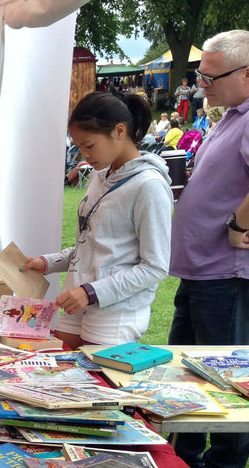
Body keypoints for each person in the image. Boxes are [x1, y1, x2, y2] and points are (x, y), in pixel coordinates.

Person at [169, 29, 249, 468]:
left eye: (210, 76)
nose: (200, 84)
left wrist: (235, 222)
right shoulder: (236, 113)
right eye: (200, 75)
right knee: (185, 376)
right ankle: (183, 464)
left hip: (228, 275)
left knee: (225, 383)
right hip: (205, 272)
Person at [21, 91, 172, 348]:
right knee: (61, 372)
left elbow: (155, 267)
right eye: (79, 146)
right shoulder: (100, 174)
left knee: (93, 381)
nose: (85, 155)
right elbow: (92, 244)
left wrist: (91, 293)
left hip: (115, 311)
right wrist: (47, 263)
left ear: (120, 131)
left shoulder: (149, 186)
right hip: (78, 297)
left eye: (89, 145)